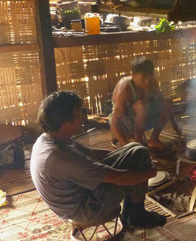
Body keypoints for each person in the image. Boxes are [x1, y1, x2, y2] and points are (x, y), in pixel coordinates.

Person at [30, 90, 166, 228]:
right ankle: (137, 216)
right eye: (78, 115)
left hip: (80, 193)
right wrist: (151, 171)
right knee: (137, 167)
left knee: (137, 151)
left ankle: (131, 213)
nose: (83, 118)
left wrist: (128, 153)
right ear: (63, 122)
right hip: (84, 210)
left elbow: (92, 153)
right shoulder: (62, 157)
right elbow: (120, 178)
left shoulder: (52, 139)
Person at [110, 57, 181, 153]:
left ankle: (153, 140)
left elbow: (162, 102)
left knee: (167, 102)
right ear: (133, 76)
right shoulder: (125, 88)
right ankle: (138, 143)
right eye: (143, 78)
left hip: (145, 119)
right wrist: (126, 147)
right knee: (142, 105)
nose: (147, 82)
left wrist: (175, 124)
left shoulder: (152, 83)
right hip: (126, 125)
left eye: (150, 77)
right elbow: (114, 122)